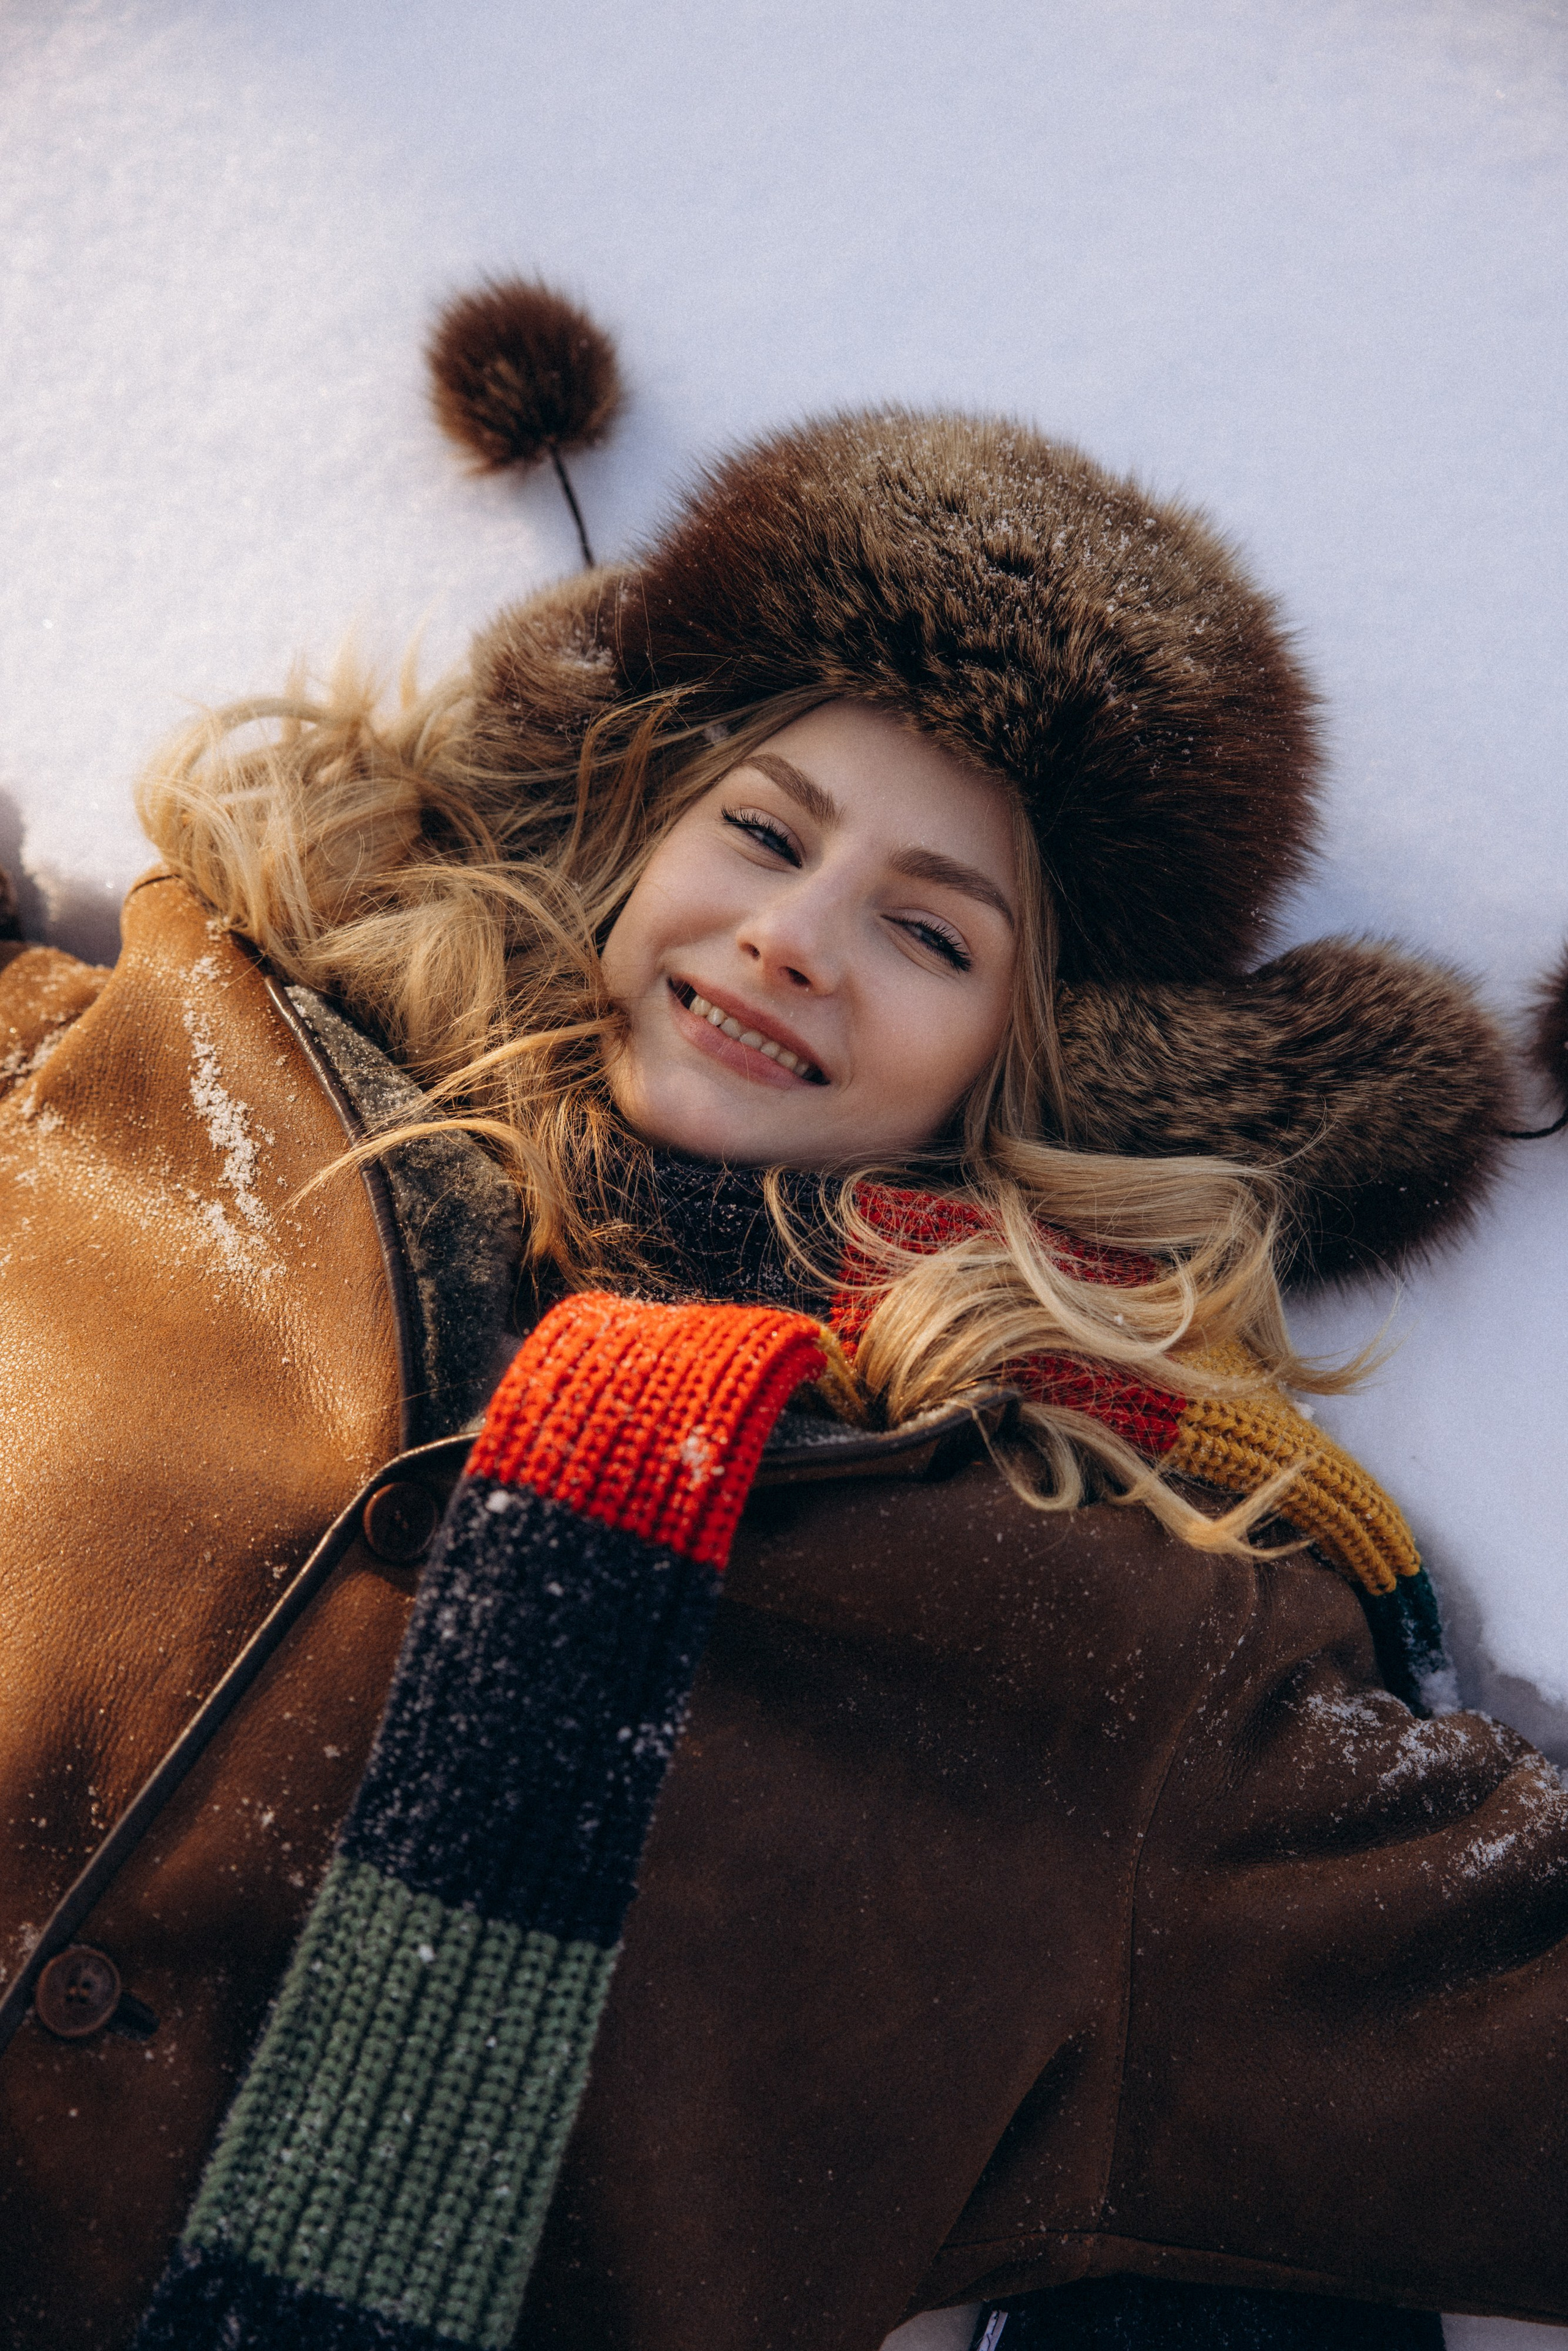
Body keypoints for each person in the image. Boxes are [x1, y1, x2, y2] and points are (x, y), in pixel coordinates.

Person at [1, 364, 1559, 2351]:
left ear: (1036, 1052)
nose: (797, 937)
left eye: (934, 934)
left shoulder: (1092, 1645)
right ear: (639, 825)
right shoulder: (143, 1072)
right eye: (764, 829)